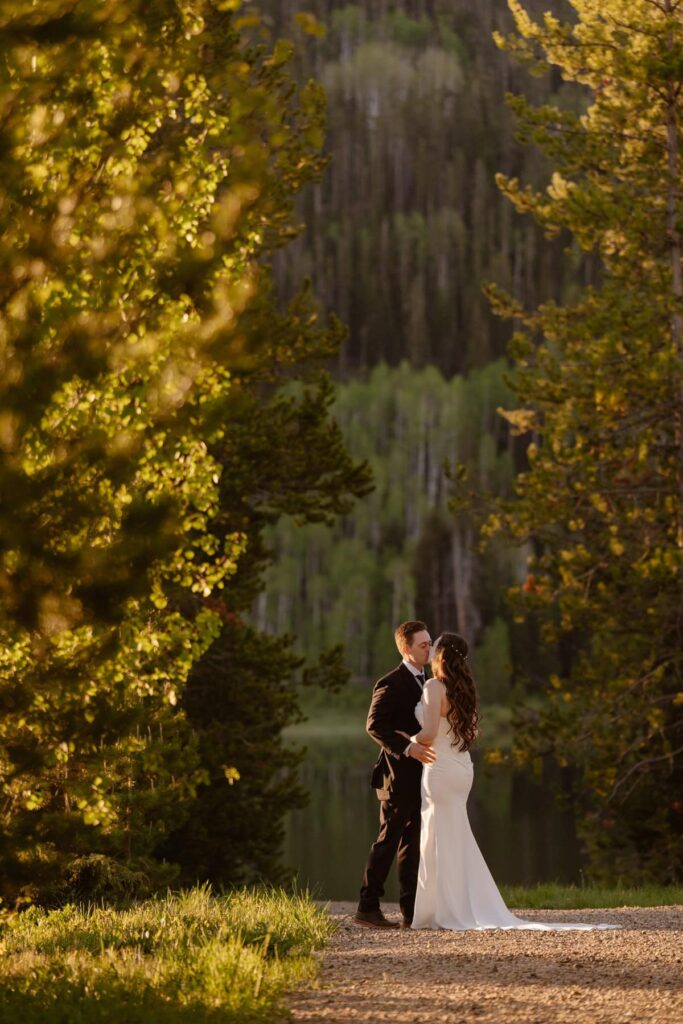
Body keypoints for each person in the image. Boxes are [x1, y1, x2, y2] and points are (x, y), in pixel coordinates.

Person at [406, 632, 619, 931]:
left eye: (435, 645)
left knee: (437, 835)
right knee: (452, 834)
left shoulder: (433, 686)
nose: (431, 649)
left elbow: (428, 734)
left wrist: (407, 741)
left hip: (439, 769)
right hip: (461, 768)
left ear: (441, 654)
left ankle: (441, 911)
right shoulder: (463, 689)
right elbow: (471, 733)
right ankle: (447, 908)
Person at [354, 620, 437, 929]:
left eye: (430, 643)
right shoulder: (390, 682)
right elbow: (374, 725)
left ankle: (410, 911)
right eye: (423, 645)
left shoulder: (427, 679)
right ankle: (367, 906)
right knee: (388, 840)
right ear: (406, 648)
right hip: (396, 776)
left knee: (412, 843)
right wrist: (408, 748)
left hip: (421, 777)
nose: (429, 648)